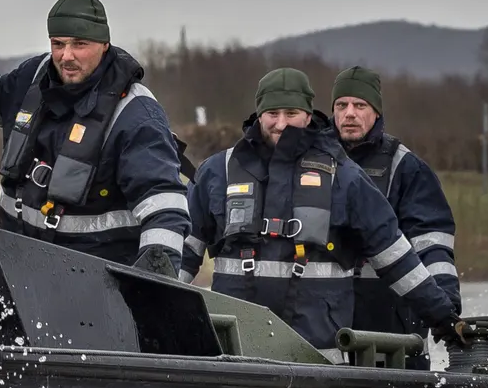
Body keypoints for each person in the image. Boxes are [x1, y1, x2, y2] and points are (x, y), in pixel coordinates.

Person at [180, 68, 463, 363]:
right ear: (259, 115)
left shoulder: (345, 177)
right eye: (272, 113)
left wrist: (443, 316)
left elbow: (394, 256)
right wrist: (153, 308)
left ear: (307, 116)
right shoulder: (217, 172)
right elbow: (184, 253)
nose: (281, 123)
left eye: (291, 113)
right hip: (233, 355)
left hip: (317, 359)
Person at [0, 0, 190, 275]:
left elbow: (165, 208)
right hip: (15, 271)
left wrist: (154, 284)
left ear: (104, 44)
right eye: (58, 44)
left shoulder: (135, 114)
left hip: (92, 285)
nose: (66, 56)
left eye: (79, 44)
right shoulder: (32, 77)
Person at [332, 66, 460, 370]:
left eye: (360, 105)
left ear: (376, 112)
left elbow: (432, 242)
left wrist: (446, 306)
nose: (349, 114)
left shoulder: (406, 168)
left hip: (392, 320)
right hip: (328, 318)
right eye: (341, 105)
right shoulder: (314, 162)